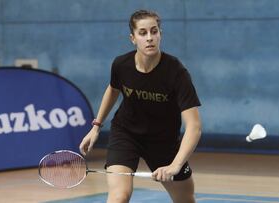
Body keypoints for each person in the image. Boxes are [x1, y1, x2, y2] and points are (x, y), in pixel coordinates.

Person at [79, 9, 202, 203]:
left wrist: (175, 165)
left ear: (160, 34)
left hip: (163, 141)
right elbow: (112, 89)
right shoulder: (121, 65)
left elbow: (194, 126)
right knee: (119, 196)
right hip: (126, 133)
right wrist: (96, 126)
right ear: (133, 38)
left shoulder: (176, 72)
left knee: (185, 199)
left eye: (154, 31)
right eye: (143, 33)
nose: (150, 38)